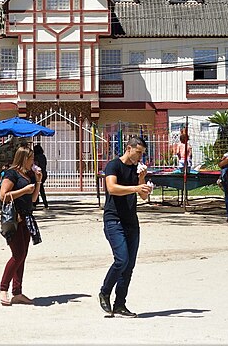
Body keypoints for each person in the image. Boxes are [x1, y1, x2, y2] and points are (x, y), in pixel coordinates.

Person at [99, 135, 152, 318]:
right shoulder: (113, 165)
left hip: (131, 221)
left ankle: (120, 304)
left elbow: (143, 197)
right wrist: (136, 189)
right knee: (121, 260)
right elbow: (112, 188)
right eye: (138, 152)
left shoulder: (137, 170)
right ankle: (104, 292)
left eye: (142, 154)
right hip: (114, 220)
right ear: (129, 149)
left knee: (129, 266)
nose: (140, 157)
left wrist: (142, 181)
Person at [0, 145, 42, 306]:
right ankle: (3, 289)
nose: (33, 162)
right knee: (17, 254)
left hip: (26, 218)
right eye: (31, 159)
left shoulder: (28, 174)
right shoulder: (12, 174)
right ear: (24, 158)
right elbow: (3, 196)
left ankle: (17, 292)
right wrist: (23, 190)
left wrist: (37, 181)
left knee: (23, 255)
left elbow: (33, 199)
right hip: (14, 219)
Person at [32, 143, 49, 209]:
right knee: (40, 188)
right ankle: (44, 203)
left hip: (39, 173)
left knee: (38, 187)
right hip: (44, 173)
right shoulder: (43, 156)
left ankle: (35, 202)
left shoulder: (36, 157)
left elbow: (36, 165)